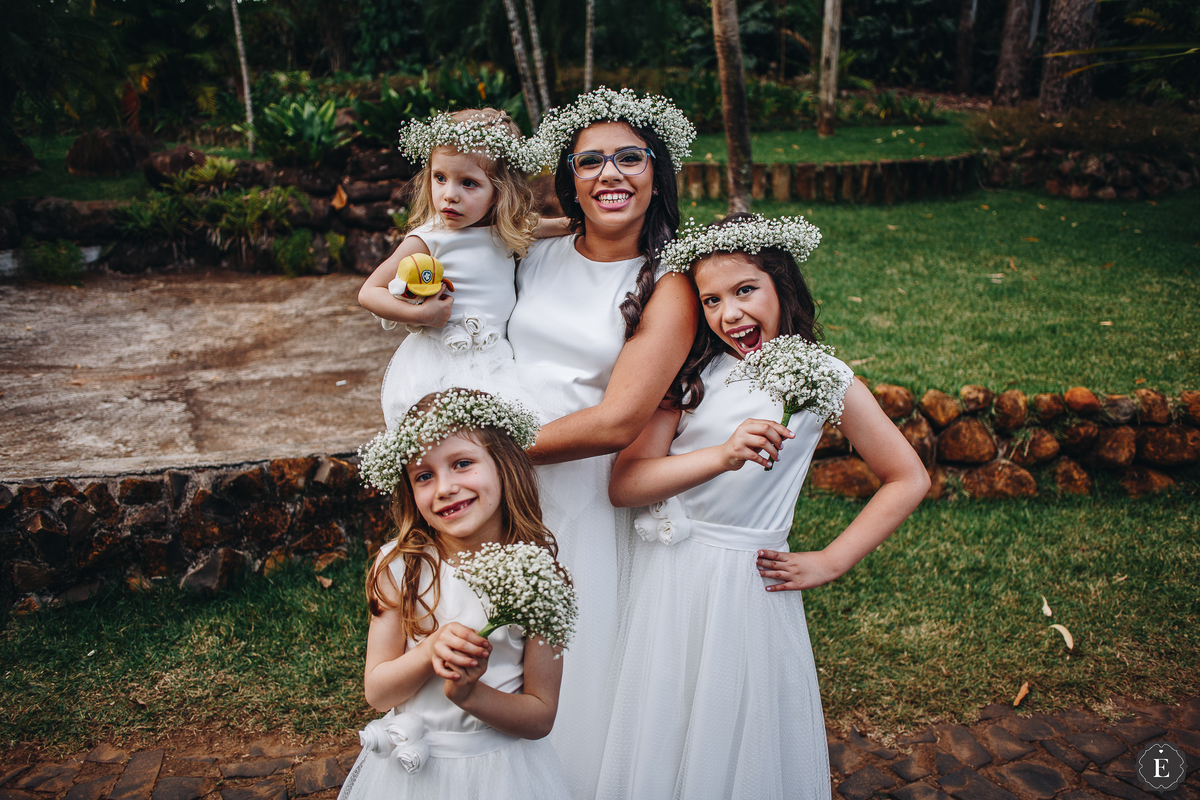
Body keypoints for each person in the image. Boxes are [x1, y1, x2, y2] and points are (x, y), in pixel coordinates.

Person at [599, 214, 931, 800]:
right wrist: (721, 455)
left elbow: (906, 477)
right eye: (711, 300)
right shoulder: (691, 375)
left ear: (782, 285)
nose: (729, 314)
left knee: (737, 725)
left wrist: (832, 560)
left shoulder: (822, 376)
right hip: (670, 579)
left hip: (748, 584)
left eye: (745, 290)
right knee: (664, 721)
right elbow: (625, 484)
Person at [504, 87, 699, 798]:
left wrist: (494, 451)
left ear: (657, 171)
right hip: (502, 487)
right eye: (591, 161)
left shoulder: (669, 285)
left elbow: (620, 422)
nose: (610, 174)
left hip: (578, 490)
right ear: (570, 179)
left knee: (570, 660)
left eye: (629, 157)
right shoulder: (540, 250)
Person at [342, 389, 571, 800]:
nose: (444, 487)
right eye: (423, 475)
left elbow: (540, 717)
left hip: (501, 775)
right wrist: (430, 649)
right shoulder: (400, 567)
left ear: (504, 465)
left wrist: (469, 694)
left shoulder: (539, 577)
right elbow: (378, 693)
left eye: (462, 464)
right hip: (413, 779)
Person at [358, 108, 562, 429]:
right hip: (443, 362)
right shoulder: (431, 237)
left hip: (496, 361)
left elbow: (549, 226)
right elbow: (369, 292)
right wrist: (419, 315)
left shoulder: (505, 229)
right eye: (440, 178)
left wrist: (584, 225)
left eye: (468, 183)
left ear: (499, 191)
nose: (449, 195)